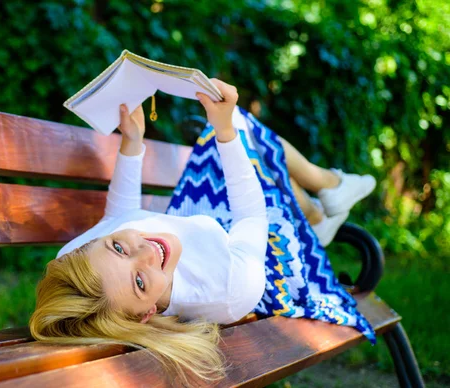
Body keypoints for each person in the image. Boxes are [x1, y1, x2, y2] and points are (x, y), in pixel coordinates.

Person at [29, 79, 376, 383]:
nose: (148, 251)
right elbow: (254, 216)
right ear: (148, 313)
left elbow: (117, 220)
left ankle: (321, 206)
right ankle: (325, 196)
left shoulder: (79, 262)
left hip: (205, 227)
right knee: (238, 128)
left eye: (118, 247)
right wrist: (226, 132)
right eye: (140, 282)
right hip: (265, 250)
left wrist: (132, 144)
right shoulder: (226, 289)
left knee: (239, 128)